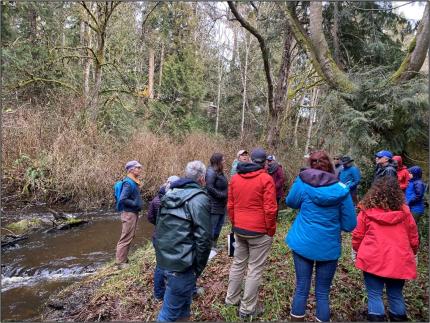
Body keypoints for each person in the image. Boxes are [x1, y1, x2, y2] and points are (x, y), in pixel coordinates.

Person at [285, 151, 356, 322]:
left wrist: (298, 182)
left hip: (303, 242)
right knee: (323, 292)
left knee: (302, 287)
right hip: (328, 246)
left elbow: (291, 202)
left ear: (311, 164)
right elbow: (349, 225)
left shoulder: (303, 181)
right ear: (330, 165)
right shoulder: (341, 189)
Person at [352, 177, 418, 322]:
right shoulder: (406, 213)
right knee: (395, 295)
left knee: (374, 294)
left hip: (372, 259)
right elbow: (413, 236)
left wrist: (355, 250)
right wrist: (414, 252)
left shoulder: (366, 212)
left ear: (374, 192)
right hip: (399, 259)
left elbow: (357, 235)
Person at [155, 161, 211, 322]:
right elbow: (204, 239)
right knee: (168, 314)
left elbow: (159, 228)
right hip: (183, 266)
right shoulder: (199, 199)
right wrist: (197, 269)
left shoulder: (169, 193)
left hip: (166, 261)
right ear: (201, 179)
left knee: (183, 307)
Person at [225, 148, 277, 319]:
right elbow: (270, 209)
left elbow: (230, 205)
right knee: (254, 269)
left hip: (239, 229)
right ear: (265, 163)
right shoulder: (266, 179)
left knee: (238, 264)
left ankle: (231, 299)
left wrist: (235, 224)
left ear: (250, 160)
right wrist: (270, 230)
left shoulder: (235, 178)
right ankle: (247, 309)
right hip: (258, 231)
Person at [147, 175, 180, 301]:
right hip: (167, 238)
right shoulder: (172, 199)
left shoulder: (156, 199)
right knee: (163, 265)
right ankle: (160, 293)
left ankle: (159, 292)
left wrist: (159, 224)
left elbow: (150, 217)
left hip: (158, 236)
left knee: (161, 265)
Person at [115, 160, 144, 269]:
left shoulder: (133, 181)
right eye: (137, 167)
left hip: (132, 212)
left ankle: (124, 259)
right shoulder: (128, 182)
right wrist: (135, 203)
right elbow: (123, 199)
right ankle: (120, 263)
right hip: (129, 213)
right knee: (126, 237)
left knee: (129, 235)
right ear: (131, 169)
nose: (139, 169)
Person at [205, 153, 228, 249]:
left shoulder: (219, 171)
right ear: (218, 161)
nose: (224, 161)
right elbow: (209, 187)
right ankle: (209, 248)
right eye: (223, 160)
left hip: (221, 205)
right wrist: (222, 195)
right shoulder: (210, 172)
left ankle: (214, 245)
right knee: (212, 227)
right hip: (213, 205)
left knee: (219, 226)